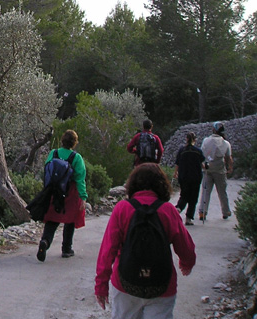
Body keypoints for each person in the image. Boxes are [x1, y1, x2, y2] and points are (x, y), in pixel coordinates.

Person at [95, 163, 196, 318]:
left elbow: (108, 250)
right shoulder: (168, 210)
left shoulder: (122, 209)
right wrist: (186, 263)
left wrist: (101, 285)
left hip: (125, 285)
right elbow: (186, 247)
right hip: (161, 286)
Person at [36, 129, 87, 262]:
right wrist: (83, 197)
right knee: (70, 220)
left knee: (52, 219)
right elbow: (80, 179)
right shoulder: (77, 158)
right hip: (70, 193)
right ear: (74, 143)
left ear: (62, 140)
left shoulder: (54, 153)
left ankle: (45, 242)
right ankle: (66, 249)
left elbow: (47, 170)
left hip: (55, 191)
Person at [198, 121, 234, 221]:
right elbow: (228, 158)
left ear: (213, 129)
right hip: (220, 171)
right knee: (222, 192)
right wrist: (230, 168)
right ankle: (225, 211)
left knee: (206, 191)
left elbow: (202, 154)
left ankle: (202, 212)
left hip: (207, 169)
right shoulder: (226, 143)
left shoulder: (205, 141)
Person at [174, 132, 204, 225]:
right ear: (195, 140)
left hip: (184, 176)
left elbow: (177, 163)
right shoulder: (198, 151)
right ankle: (188, 218)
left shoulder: (182, 150)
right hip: (195, 177)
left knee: (184, 195)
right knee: (193, 198)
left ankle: (178, 208)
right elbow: (202, 164)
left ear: (186, 139)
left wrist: (176, 173)